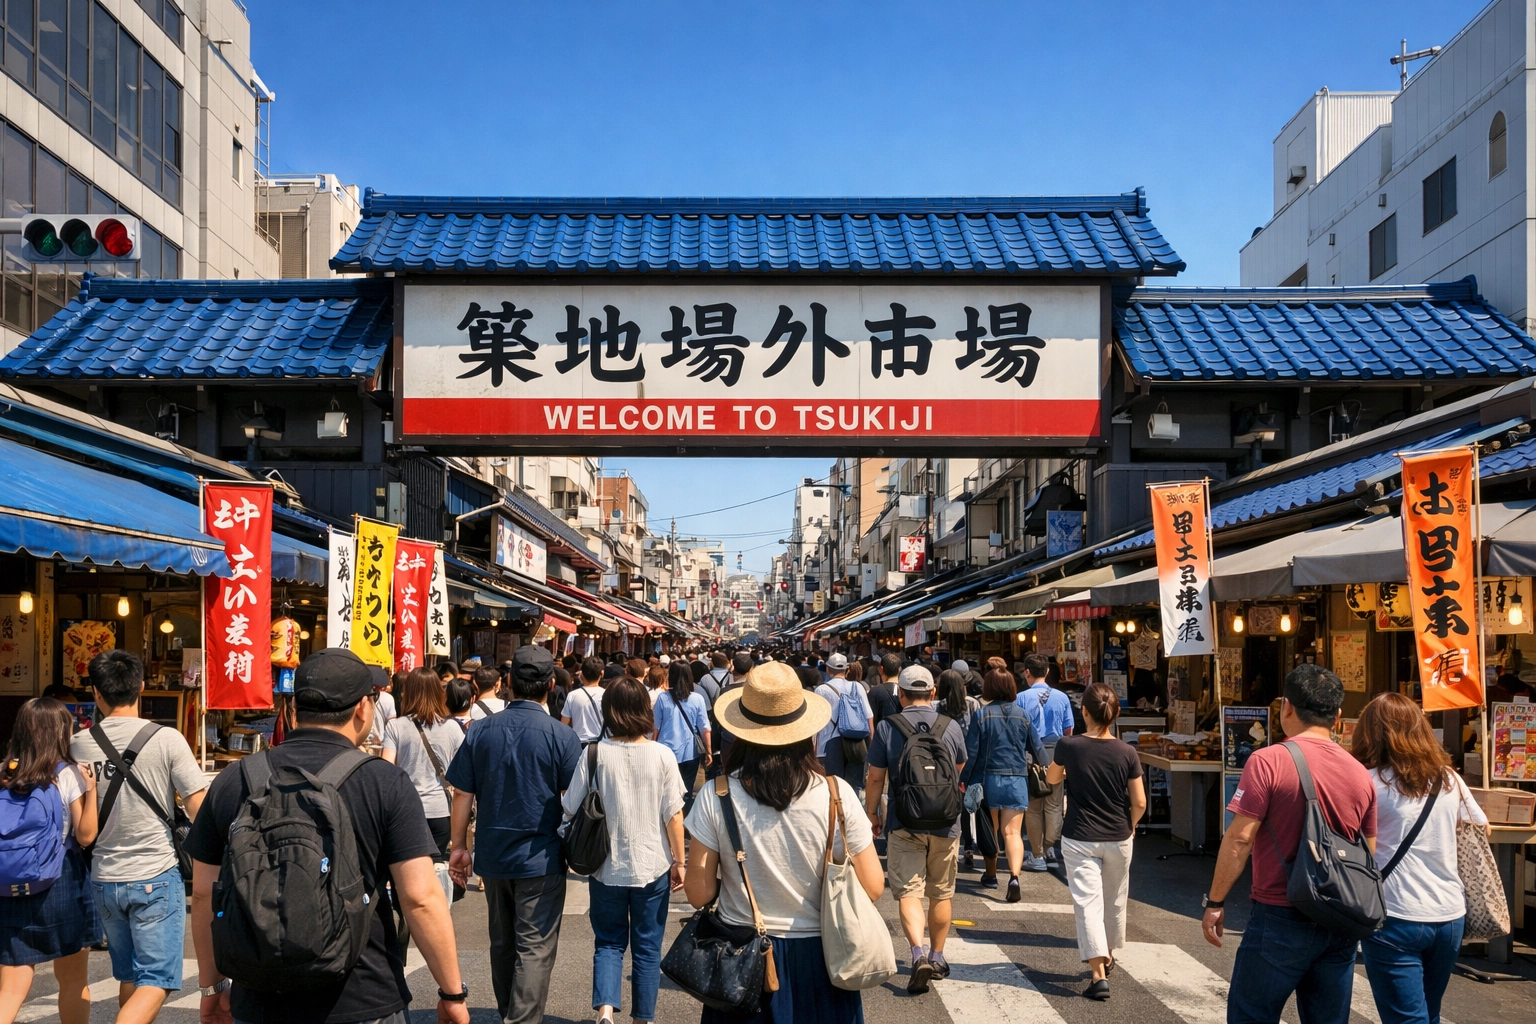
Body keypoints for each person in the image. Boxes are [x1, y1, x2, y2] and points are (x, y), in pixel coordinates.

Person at [187, 648, 468, 1024]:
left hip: (259, 995)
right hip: (363, 993)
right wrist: (451, 993)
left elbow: (205, 892)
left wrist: (213, 987)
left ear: (294, 709)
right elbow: (419, 898)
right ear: (363, 710)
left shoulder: (234, 780)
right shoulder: (383, 782)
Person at [684, 661, 883, 1024]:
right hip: (824, 957)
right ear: (807, 732)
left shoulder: (717, 796)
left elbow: (697, 894)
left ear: (741, 733)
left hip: (742, 958)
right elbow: (872, 885)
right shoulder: (837, 795)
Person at [1203, 664, 1377, 1024]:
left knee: (1251, 1014)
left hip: (1280, 912)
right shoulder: (1360, 773)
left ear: (1286, 707)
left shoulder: (1268, 761)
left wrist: (1216, 901)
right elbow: (1368, 853)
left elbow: (1240, 839)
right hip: (1340, 917)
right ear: (1339, 717)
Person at [70, 650, 207, 1024]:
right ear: (142, 688)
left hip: (104, 879)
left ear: (96, 693)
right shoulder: (167, 739)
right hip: (155, 875)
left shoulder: (78, 745)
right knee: (156, 980)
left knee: (130, 975)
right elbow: (199, 808)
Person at [446, 646, 580, 1024]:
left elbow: (462, 792)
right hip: (543, 853)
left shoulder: (481, 730)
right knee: (534, 946)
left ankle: (510, 1011)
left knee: (503, 942)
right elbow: (574, 800)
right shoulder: (561, 736)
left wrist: (459, 846)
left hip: (493, 851)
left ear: (507, 685)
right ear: (551, 685)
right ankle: (520, 1019)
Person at [1352, 692, 1489, 1024]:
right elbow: (1481, 828)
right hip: (1449, 915)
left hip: (1394, 914)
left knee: (1407, 1018)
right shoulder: (1448, 779)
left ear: (1369, 733)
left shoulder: (1368, 782)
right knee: (1430, 1013)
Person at [562, 678, 686, 1024]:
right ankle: (642, 1019)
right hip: (653, 864)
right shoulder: (662, 754)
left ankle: (605, 1010)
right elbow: (674, 815)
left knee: (608, 942)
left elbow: (571, 806)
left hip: (606, 865)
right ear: (644, 711)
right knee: (647, 948)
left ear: (608, 712)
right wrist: (680, 861)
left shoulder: (593, 753)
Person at [864, 665, 966, 994]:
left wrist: (872, 814)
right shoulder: (950, 727)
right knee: (941, 891)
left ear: (901, 695)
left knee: (909, 891)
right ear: (933, 693)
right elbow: (959, 768)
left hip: (904, 818)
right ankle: (937, 956)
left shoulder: (886, 727)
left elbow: (876, 777)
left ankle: (917, 953)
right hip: (946, 821)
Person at [0, 698, 100, 1024]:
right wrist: (92, 790)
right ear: (61, 732)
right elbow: (85, 836)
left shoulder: (4, 771)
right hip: (61, 880)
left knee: (12, 984)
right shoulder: (66, 773)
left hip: (10, 882)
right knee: (72, 978)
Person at [1047, 683, 1146, 1000]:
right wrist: (1130, 825)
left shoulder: (1068, 745)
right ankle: (1110, 954)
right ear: (1115, 715)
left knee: (1087, 903)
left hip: (1079, 836)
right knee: (1115, 901)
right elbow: (1140, 801)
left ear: (1084, 711)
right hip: (1118, 836)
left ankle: (1098, 973)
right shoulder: (1127, 752)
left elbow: (1051, 779)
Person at [962, 669, 1046, 898]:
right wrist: (1046, 769)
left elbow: (972, 752)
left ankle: (990, 876)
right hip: (1017, 779)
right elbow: (1037, 748)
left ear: (988, 688)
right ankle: (1014, 877)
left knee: (991, 830)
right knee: (1013, 833)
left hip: (988, 779)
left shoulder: (982, 715)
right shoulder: (1024, 715)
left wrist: (964, 780)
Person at [381, 666, 464, 866]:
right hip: (439, 811)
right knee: (435, 871)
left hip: (405, 811)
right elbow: (464, 771)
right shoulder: (452, 727)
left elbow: (385, 770)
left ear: (407, 692)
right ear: (439, 692)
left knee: (406, 872)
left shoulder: (396, 726)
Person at [1015, 652, 1072, 870]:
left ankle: (1037, 854)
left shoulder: (1020, 698)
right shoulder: (1062, 697)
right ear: (1047, 672)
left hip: (1030, 755)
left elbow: (1019, 731)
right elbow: (1068, 730)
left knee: (1033, 806)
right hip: (1056, 752)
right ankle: (1050, 849)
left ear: (1026, 672)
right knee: (1055, 804)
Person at [935, 668, 982, 872]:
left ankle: (945, 842)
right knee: (967, 803)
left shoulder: (937, 706)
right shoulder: (972, 704)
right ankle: (970, 845)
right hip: (968, 759)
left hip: (943, 760)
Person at [653, 661, 712, 810]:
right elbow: (705, 728)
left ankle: (668, 821)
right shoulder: (697, 698)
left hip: (664, 751)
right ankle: (683, 822)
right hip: (689, 752)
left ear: (671, 676)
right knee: (686, 790)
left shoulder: (662, 698)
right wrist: (709, 751)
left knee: (666, 791)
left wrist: (652, 746)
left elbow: (656, 728)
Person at [814, 653, 875, 798]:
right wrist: (871, 747)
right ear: (847, 670)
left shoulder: (821, 690)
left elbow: (816, 724)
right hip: (856, 743)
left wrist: (813, 751)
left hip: (828, 746)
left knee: (832, 790)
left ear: (828, 670)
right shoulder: (857, 687)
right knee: (854, 789)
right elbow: (869, 718)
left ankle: (835, 818)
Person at [561, 656, 608, 746]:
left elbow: (564, 725)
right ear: (602, 674)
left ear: (581, 674)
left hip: (578, 744)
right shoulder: (607, 695)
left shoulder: (573, 695)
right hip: (602, 744)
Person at [867, 653, 904, 727]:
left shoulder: (875, 691)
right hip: (904, 735)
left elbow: (870, 719)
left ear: (881, 669)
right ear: (899, 670)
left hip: (882, 735)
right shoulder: (905, 690)